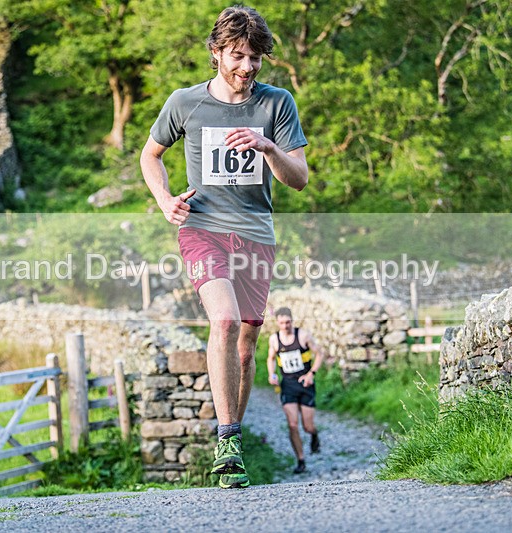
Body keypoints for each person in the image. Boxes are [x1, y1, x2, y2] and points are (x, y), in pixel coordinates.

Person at [140, 6, 308, 489]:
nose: (247, 67)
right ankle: (228, 439)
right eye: (237, 56)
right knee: (225, 320)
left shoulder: (277, 104)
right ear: (216, 53)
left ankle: (235, 426)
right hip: (203, 228)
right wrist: (165, 200)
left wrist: (269, 148)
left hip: (256, 233)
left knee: (249, 337)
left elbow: (298, 180)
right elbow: (151, 156)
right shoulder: (185, 102)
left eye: (256, 58)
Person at [267, 307, 323, 473]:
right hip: (288, 386)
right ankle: (301, 460)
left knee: (307, 426)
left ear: (292, 320)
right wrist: (272, 374)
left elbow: (319, 354)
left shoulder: (303, 335)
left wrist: (311, 373)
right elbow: (270, 358)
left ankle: (314, 434)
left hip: (306, 385)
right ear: (277, 323)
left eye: (288, 322)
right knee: (292, 425)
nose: (285, 326)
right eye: (282, 323)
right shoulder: (274, 340)